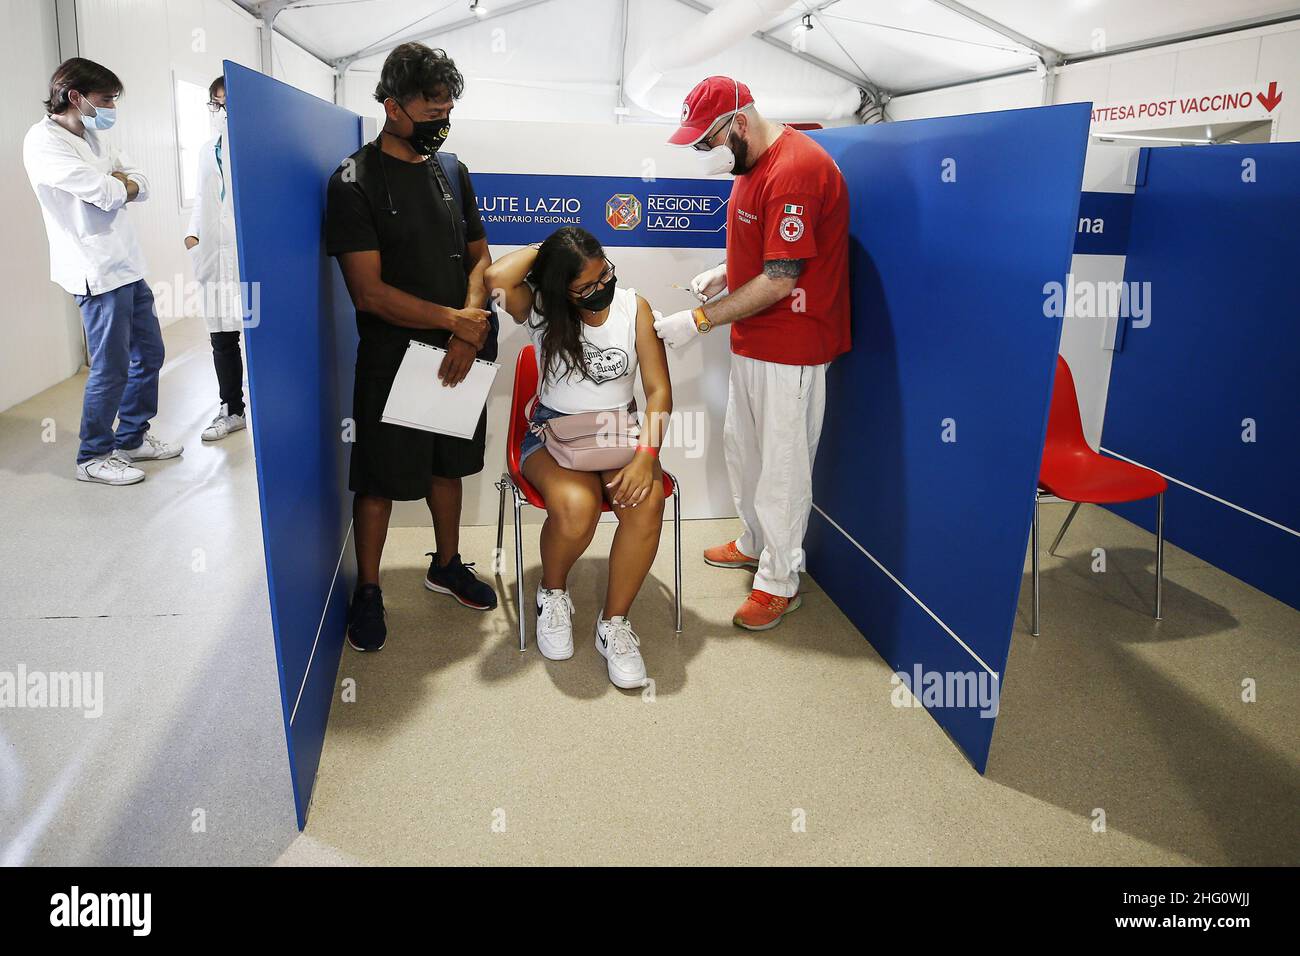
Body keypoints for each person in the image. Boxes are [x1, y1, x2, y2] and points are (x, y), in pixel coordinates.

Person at [655, 76, 850, 632]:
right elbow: (768, 251)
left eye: (712, 139)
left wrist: (697, 321)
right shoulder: (754, 166)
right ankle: (754, 541)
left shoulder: (794, 171)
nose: (711, 151)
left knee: (783, 469)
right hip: (756, 339)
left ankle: (779, 582)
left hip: (793, 342)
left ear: (739, 121)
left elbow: (782, 279)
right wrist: (727, 271)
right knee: (745, 450)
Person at [325, 43, 498, 653]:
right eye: (430, 112)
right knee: (378, 479)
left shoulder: (450, 169)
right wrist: (454, 318)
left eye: (447, 111)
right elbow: (368, 293)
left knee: (446, 467)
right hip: (394, 356)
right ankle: (369, 589)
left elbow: (479, 254)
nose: (439, 123)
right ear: (391, 106)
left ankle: (445, 564)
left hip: (461, 348)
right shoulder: (354, 182)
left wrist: (466, 323)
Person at [487, 228, 672, 688]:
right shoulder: (542, 312)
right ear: (558, 290)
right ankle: (552, 594)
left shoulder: (635, 307)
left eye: (603, 274)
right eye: (584, 286)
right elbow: (495, 275)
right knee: (577, 507)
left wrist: (647, 456)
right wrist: (548, 252)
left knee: (646, 500)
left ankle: (613, 624)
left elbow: (658, 391)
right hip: (551, 430)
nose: (600, 289)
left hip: (615, 428)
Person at [23, 58, 183, 486]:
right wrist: (118, 184)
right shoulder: (43, 142)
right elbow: (104, 191)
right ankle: (93, 455)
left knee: (149, 355)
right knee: (110, 368)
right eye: (106, 99)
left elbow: (141, 182)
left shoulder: (93, 135)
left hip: (127, 263)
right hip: (94, 269)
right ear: (75, 97)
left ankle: (131, 437)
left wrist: (122, 184)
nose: (112, 106)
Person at [184, 75, 246, 442]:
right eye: (216, 104)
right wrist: (192, 237)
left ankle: (275, 408)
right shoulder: (208, 149)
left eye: (228, 104)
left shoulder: (257, 146)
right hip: (212, 254)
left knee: (257, 335)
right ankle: (232, 409)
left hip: (246, 259)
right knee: (222, 336)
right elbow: (202, 198)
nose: (221, 111)